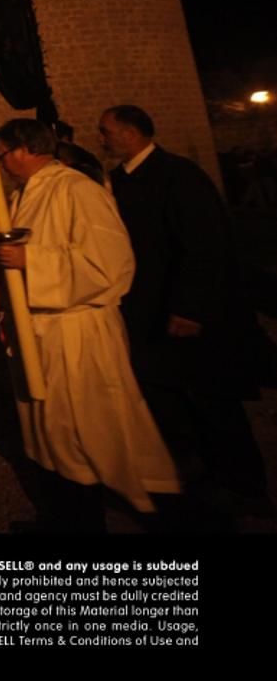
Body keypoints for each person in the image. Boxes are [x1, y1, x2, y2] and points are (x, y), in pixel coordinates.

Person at [0, 117, 178, 530]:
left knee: (84, 431)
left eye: (2, 154)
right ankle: (62, 516)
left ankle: (97, 521)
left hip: (77, 331)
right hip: (43, 332)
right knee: (51, 431)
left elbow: (111, 264)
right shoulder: (26, 194)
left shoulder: (76, 190)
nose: (0, 164)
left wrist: (31, 260)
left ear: (26, 148)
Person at [99, 104, 269, 516]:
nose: (102, 138)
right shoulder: (120, 180)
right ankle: (196, 478)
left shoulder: (178, 175)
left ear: (129, 132)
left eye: (106, 131)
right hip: (147, 310)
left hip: (184, 312)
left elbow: (203, 244)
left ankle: (245, 488)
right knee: (166, 396)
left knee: (212, 400)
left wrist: (190, 307)